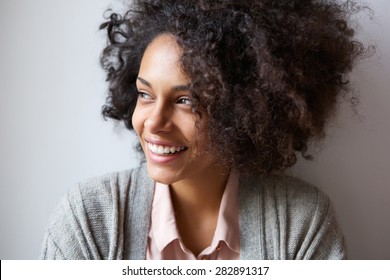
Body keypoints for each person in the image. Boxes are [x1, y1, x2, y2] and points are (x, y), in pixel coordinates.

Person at [41, 0, 368, 259]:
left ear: (242, 110)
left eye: (186, 100)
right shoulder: (87, 220)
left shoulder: (301, 223)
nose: (153, 123)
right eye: (145, 94)